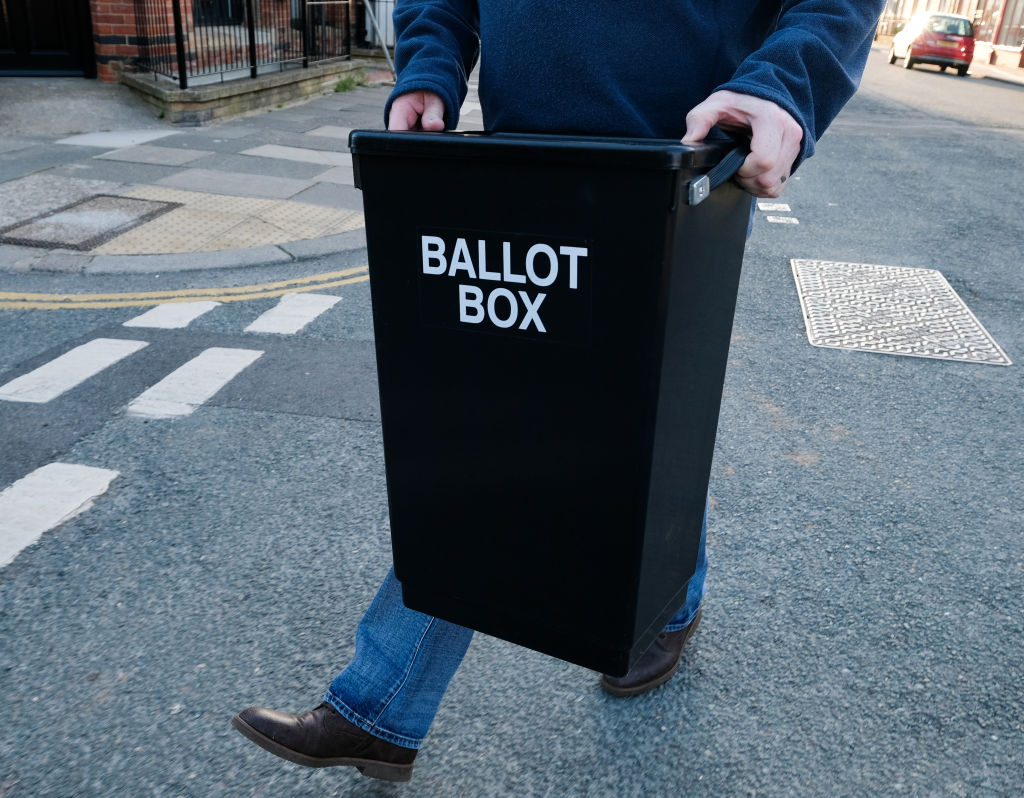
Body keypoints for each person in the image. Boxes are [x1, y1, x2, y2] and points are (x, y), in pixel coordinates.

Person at [231, 0, 886, 783]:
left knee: (648, 425)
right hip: (524, 171)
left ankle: (664, 605)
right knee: (490, 441)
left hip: (676, 178)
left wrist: (786, 85)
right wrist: (432, 66)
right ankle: (381, 709)